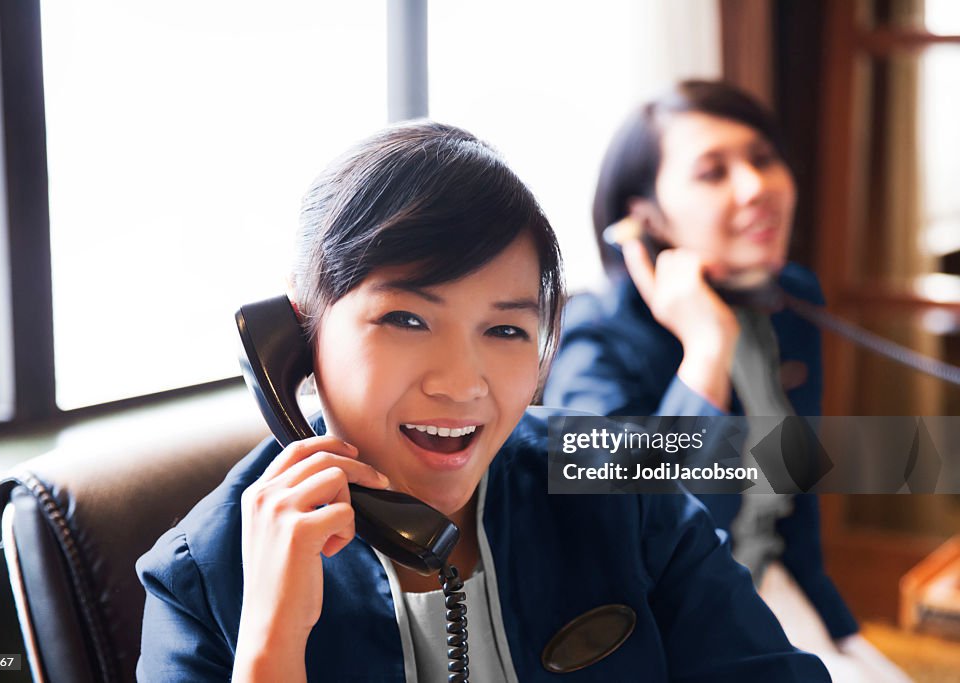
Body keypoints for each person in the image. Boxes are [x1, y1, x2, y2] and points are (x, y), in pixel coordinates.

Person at [136, 121, 829, 682]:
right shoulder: (204, 574)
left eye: (505, 329)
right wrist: (270, 644)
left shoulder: (623, 488)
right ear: (297, 334)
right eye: (406, 319)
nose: (462, 382)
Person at [543, 80, 909, 682]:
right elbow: (626, 538)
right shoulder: (594, 339)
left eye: (763, 159)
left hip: (768, 589)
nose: (757, 186)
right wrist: (705, 353)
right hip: (664, 624)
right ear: (644, 220)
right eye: (713, 172)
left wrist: (841, 630)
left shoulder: (787, 299)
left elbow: (796, 504)